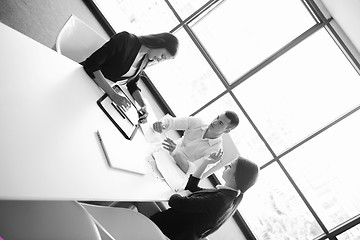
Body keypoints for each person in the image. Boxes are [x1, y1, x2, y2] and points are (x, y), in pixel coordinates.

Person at [150, 155, 259, 240]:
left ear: (236, 178)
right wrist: (206, 162)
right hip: (173, 224)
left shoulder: (220, 200)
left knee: (138, 200)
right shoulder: (227, 196)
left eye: (230, 166)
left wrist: (180, 193)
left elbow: (176, 202)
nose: (226, 166)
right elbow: (192, 187)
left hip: (165, 231)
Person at [81, 31, 179, 123]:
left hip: (98, 89)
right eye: (162, 56)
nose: (158, 60)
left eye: (162, 60)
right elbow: (91, 64)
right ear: (159, 42)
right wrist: (113, 94)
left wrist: (143, 106)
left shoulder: (145, 59)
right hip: (85, 78)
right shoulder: (126, 40)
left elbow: (132, 83)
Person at [152, 111, 239, 175]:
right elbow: (172, 122)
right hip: (165, 153)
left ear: (227, 130)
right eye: (217, 117)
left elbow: (190, 171)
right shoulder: (198, 122)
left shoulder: (216, 152)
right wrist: (162, 123)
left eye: (220, 123)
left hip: (177, 173)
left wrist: (175, 152)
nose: (214, 122)